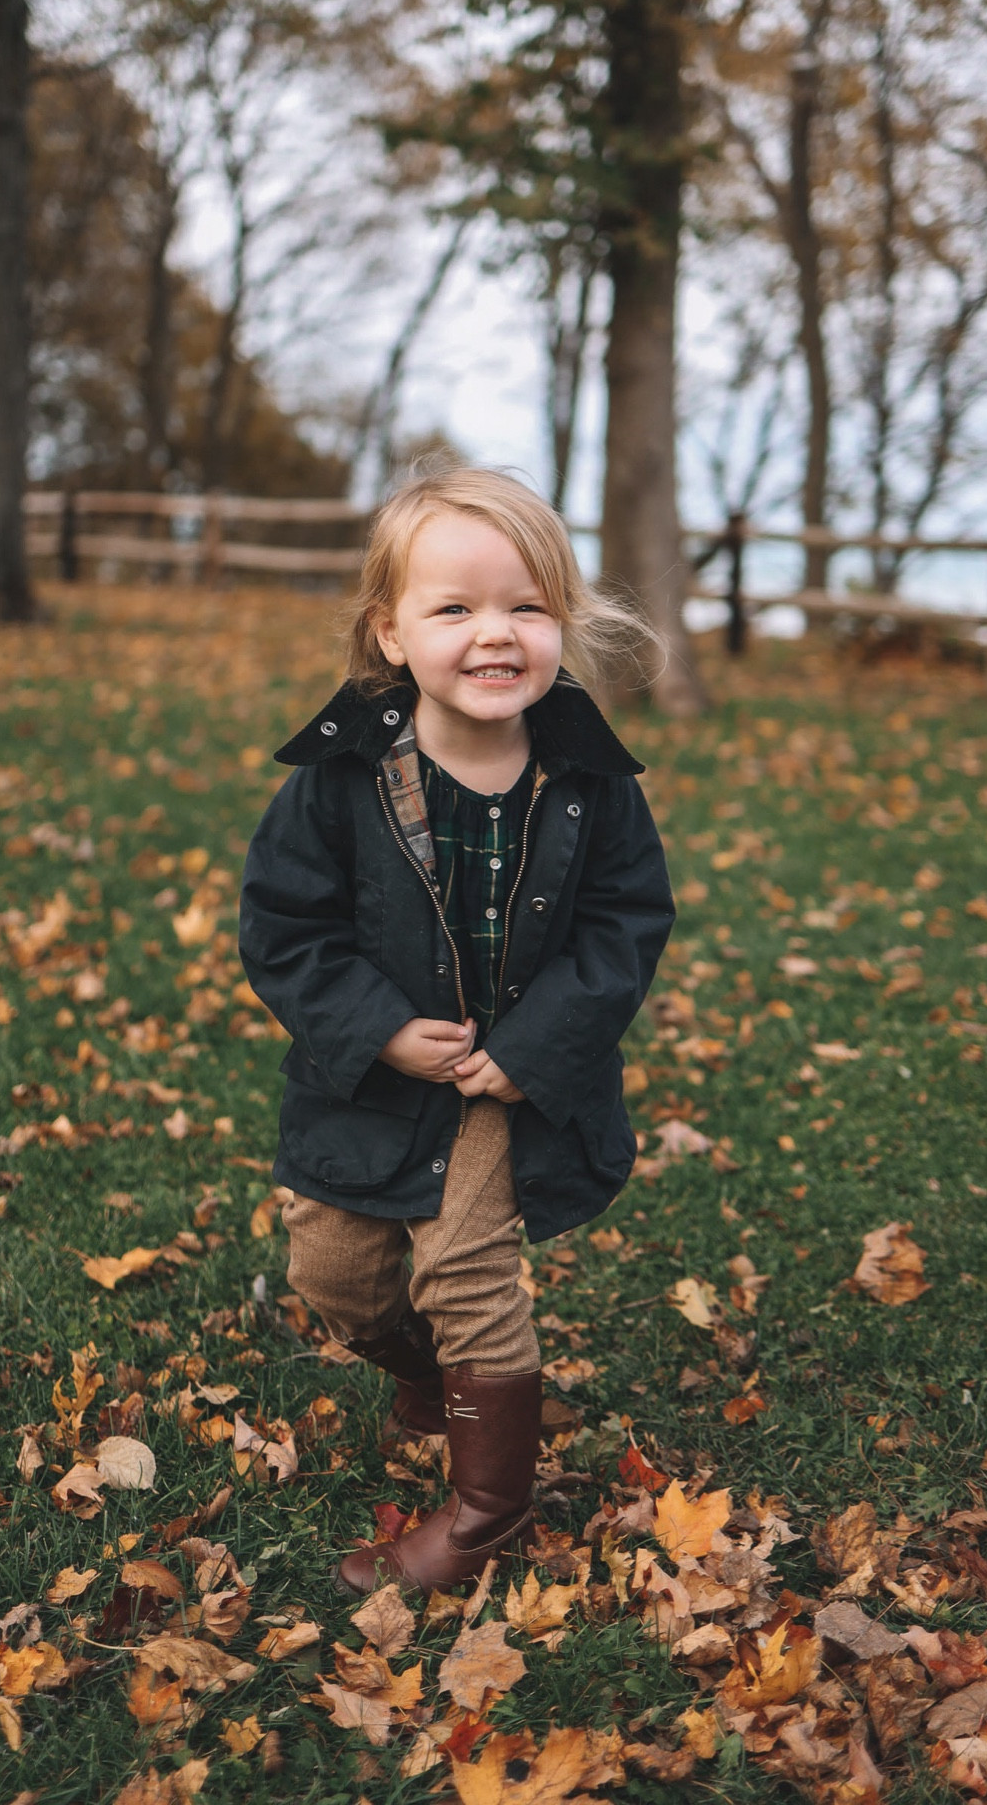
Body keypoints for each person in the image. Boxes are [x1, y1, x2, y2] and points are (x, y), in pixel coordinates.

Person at [238, 467, 675, 1596]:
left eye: (526, 606)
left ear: (562, 622)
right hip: (373, 1073)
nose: (496, 633)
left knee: (467, 1267)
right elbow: (287, 927)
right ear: (390, 631)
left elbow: (626, 922)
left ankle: (487, 1506)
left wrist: (533, 1050)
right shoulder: (340, 782)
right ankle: (432, 1377)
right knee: (336, 1275)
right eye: (455, 608)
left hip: (505, 1080)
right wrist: (377, 1028)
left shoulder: (588, 781)